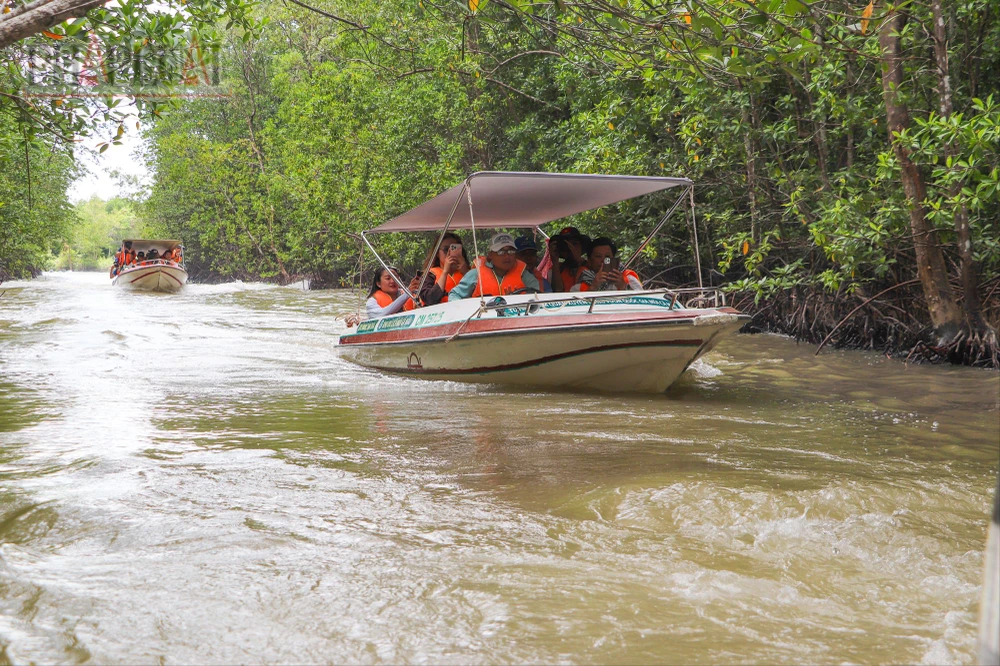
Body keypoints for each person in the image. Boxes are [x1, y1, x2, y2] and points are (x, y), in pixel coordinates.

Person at [446, 233, 540, 299]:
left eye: (511, 251)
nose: (507, 256)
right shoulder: (476, 274)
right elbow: (454, 295)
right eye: (501, 252)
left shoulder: (524, 275)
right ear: (490, 255)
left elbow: (538, 296)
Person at [416, 232, 469, 307]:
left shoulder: (469, 273)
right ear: (437, 253)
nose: (450, 253)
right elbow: (430, 299)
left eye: (454, 248)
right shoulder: (430, 275)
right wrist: (445, 272)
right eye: (446, 249)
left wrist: (466, 271)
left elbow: (479, 293)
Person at [575, 237, 644, 291]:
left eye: (607, 256)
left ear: (613, 258)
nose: (603, 260)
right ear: (589, 260)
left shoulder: (627, 277)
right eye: (598, 256)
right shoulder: (581, 284)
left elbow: (642, 300)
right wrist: (593, 287)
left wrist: (623, 286)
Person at [547, 226, 589, 292]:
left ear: (581, 247)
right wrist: (555, 262)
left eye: (574, 244)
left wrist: (579, 260)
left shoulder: (589, 266)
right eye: (567, 244)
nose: (570, 248)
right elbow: (557, 292)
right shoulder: (554, 270)